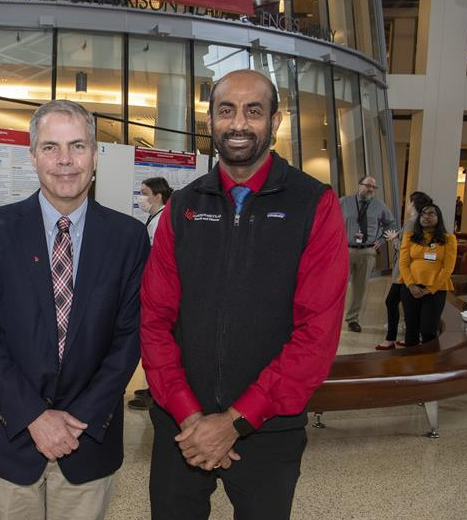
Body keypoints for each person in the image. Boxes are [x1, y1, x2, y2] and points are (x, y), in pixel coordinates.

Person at [141, 70, 347, 520]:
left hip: (269, 428)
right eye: (226, 110)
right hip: (181, 426)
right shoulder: (183, 206)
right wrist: (189, 415)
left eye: (253, 111)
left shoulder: (313, 204)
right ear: (210, 121)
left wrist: (236, 420)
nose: (238, 123)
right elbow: (155, 320)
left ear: (275, 121)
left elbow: (317, 333)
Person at [0, 99, 149, 520]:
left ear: (95, 155)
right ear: (33, 156)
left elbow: (130, 337)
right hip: (9, 437)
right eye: (51, 147)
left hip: (88, 439)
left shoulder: (128, 238)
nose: (65, 160)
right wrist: (33, 416)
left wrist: (79, 418)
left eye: (77, 146)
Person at [128, 176, 172, 411]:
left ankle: (156, 394)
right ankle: (151, 389)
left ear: (158, 196)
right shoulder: (155, 217)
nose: (140, 197)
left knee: (156, 341)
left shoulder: (162, 219)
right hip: (152, 285)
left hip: (159, 291)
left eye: (144, 193)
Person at [339, 175, 396, 332]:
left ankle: (352, 319)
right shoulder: (344, 202)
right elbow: (330, 219)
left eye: (373, 187)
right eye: (368, 185)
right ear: (359, 185)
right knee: (338, 286)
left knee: (360, 288)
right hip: (345, 251)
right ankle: (332, 318)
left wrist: (382, 240)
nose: (371, 189)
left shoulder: (379, 206)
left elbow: (391, 224)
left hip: (367, 252)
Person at [377, 191, 432, 350]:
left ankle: (390, 338)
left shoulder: (411, 223)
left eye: (409, 202)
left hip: (403, 271)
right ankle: (411, 337)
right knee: (408, 305)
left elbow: (404, 249)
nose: (407, 205)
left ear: (413, 204)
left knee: (392, 302)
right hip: (413, 270)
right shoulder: (421, 222)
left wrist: (394, 239)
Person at [399, 203, 457, 346]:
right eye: (423, 214)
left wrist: (430, 289)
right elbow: (403, 264)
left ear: (438, 218)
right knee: (411, 328)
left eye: (431, 214)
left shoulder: (449, 239)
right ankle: (411, 358)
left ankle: (429, 359)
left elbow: (448, 268)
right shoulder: (410, 237)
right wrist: (411, 285)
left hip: (435, 290)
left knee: (429, 330)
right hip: (410, 287)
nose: (426, 217)